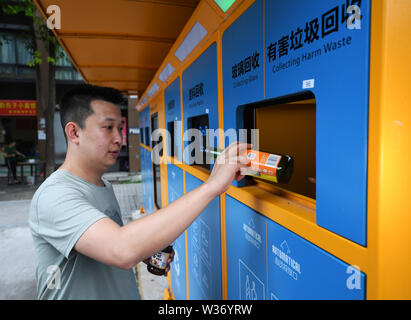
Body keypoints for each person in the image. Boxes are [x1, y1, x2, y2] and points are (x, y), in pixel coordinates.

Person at [29, 84, 250, 300]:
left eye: (120, 128)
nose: (119, 138)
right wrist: (212, 185)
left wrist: (144, 249)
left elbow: (110, 247)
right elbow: (121, 248)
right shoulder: (54, 196)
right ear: (74, 132)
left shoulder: (101, 184)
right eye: (108, 128)